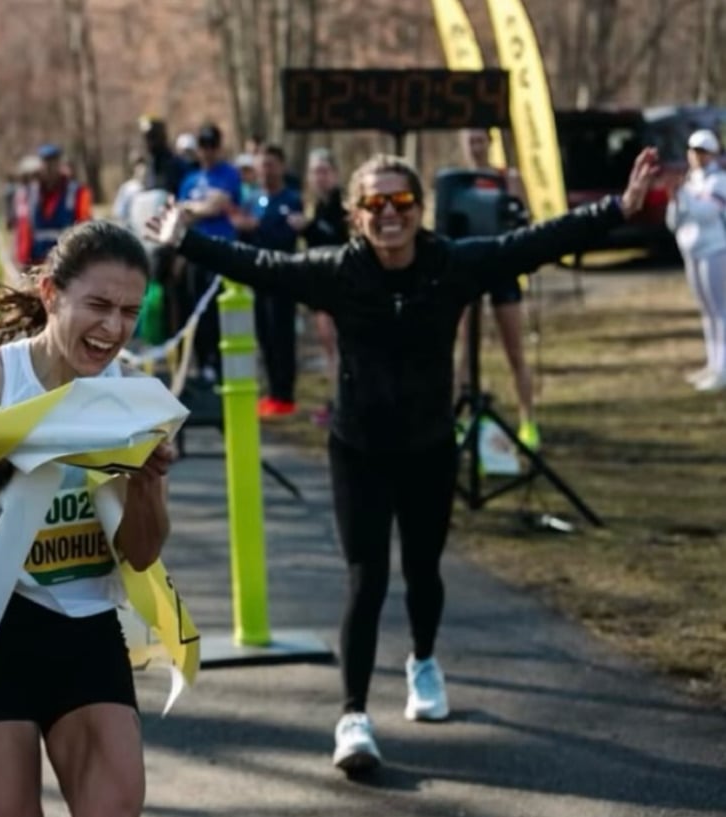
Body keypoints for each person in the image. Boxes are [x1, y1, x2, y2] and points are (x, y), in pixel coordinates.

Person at [146, 147, 660, 774]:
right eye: (375, 204)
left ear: (420, 209)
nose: (390, 215)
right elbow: (262, 265)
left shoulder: (453, 265)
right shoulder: (338, 270)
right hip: (358, 448)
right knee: (366, 579)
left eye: (402, 203)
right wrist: (186, 241)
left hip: (428, 448)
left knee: (423, 571)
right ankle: (353, 716)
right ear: (355, 214)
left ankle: (422, 662)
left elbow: (534, 244)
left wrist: (617, 208)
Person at [0, 220, 175, 816]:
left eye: (129, 311)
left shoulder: (132, 396)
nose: (113, 328)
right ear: (51, 296)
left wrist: (145, 487)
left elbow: (140, 555)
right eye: (97, 306)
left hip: (85, 626)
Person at [454, 127, 540, 449]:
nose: (476, 147)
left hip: (502, 267)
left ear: (490, 143)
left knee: (515, 350)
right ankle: (458, 420)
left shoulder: (508, 178)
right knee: (464, 351)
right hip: (468, 268)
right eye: (470, 141)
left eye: (480, 140)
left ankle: (528, 422)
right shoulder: (457, 181)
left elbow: (524, 219)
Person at [230, 144, 305, 418]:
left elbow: (285, 236)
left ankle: (285, 394)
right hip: (259, 277)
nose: (265, 170)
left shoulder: (291, 199)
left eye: (270, 164)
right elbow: (245, 234)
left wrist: (258, 228)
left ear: (281, 166)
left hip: (283, 276)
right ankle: (273, 392)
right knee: (264, 335)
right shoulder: (254, 200)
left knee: (281, 335)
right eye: (262, 165)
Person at [176, 122, 243, 382]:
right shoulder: (190, 179)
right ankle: (203, 363)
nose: (207, 151)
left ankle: (221, 362)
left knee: (219, 310)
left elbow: (218, 206)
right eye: (203, 146)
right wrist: (199, 207)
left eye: (212, 145)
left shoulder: (229, 174)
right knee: (197, 310)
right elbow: (181, 214)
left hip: (221, 251)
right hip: (194, 252)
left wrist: (195, 208)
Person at [666, 128, 726, 392]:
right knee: (706, 311)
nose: (695, 156)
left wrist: (683, 196)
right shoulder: (690, 182)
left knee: (720, 310)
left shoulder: (720, 181)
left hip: (716, 249)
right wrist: (676, 200)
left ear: (712, 154)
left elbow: (706, 213)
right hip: (691, 251)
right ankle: (712, 364)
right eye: (692, 150)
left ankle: (723, 368)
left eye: (701, 151)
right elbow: (674, 220)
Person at [303, 148, 349, 427]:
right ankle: (336, 402)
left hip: (338, 283)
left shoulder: (341, 205)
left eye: (324, 171)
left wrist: (308, 228)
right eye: (315, 172)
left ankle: (342, 404)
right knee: (328, 346)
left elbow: (336, 240)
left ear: (334, 173)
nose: (319, 178)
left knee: (339, 346)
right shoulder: (317, 205)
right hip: (318, 281)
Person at [15, 144, 93, 267]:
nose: (50, 169)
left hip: (66, 262)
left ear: (60, 165)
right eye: (46, 163)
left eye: (54, 163)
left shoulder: (76, 192)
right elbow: (23, 228)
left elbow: (85, 226)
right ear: (40, 165)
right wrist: (23, 260)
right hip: (35, 262)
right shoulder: (29, 193)